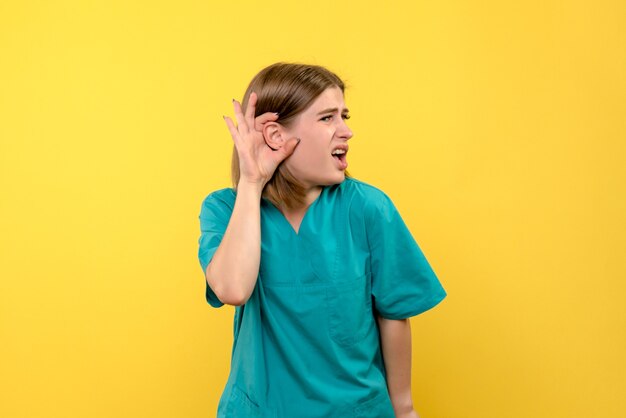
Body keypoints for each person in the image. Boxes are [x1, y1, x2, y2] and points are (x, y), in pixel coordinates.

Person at [197, 62, 446, 418]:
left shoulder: (367, 208)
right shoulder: (224, 208)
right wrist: (251, 183)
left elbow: (393, 314)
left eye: (344, 115)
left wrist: (404, 409)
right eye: (328, 118)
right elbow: (233, 289)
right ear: (275, 136)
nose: (347, 131)